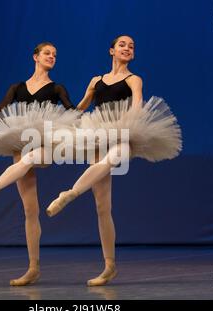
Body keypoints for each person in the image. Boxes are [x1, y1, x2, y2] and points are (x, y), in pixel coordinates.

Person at [46, 35, 182, 286]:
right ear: (111, 51)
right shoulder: (96, 80)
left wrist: (127, 125)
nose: (127, 48)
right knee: (102, 206)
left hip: (124, 132)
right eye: (123, 45)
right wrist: (61, 123)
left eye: (131, 46)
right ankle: (109, 266)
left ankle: (69, 194)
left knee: (114, 158)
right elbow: (81, 107)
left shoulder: (134, 79)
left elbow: (138, 101)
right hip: (98, 132)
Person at [0, 42, 79, 286]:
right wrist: (0, 127)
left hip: (47, 142)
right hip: (21, 142)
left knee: (31, 158)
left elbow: (72, 111)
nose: (52, 57)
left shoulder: (56, 88)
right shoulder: (17, 88)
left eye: (55, 55)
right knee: (30, 210)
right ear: (35, 56)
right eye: (47, 53)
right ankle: (33, 268)